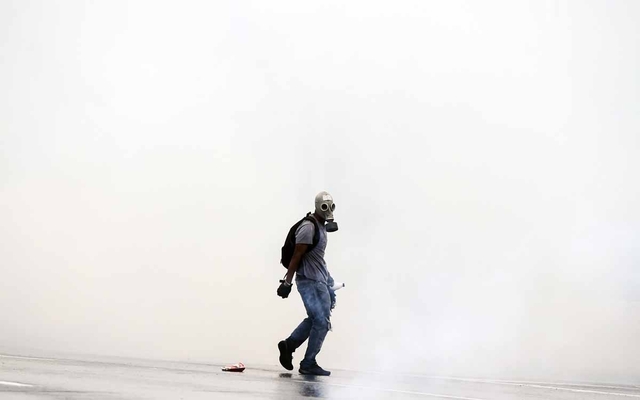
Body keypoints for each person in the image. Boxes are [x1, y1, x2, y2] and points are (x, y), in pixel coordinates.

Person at [276, 191, 339, 376]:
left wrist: (329, 281)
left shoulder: (321, 227)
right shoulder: (308, 227)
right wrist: (287, 282)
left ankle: (289, 345)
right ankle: (308, 363)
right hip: (309, 282)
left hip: (319, 281)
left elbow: (318, 258)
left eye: (331, 206)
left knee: (316, 319)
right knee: (322, 322)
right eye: (325, 206)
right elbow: (296, 256)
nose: (328, 210)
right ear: (318, 206)